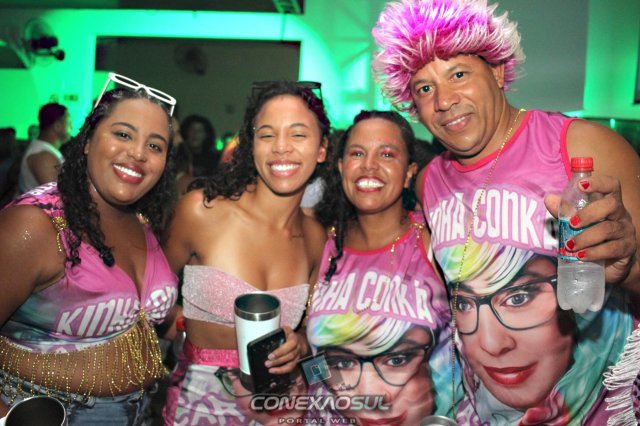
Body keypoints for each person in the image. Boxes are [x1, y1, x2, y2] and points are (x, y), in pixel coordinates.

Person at [372, 0, 640, 424]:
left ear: (496, 71)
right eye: (424, 88)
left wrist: (628, 266)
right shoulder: (429, 182)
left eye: (459, 74)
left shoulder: (583, 147)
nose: (444, 100)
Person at [0, 74, 179, 425]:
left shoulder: (143, 222)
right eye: (123, 134)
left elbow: (152, 315)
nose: (138, 153)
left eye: (155, 146)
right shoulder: (35, 225)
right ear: (87, 141)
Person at [162, 80, 330, 425]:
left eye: (298, 134)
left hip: (284, 411)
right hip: (200, 408)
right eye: (267, 135)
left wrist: (299, 345)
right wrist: (180, 332)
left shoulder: (317, 237)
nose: (281, 147)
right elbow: (140, 301)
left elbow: (314, 339)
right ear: (251, 145)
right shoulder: (201, 211)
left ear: (322, 149)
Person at [307, 110, 457, 424]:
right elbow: (314, 358)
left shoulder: (436, 240)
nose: (369, 166)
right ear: (341, 167)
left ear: (409, 173)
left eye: (386, 154)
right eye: (357, 154)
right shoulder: (323, 245)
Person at [18, 103, 71, 194]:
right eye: (69, 123)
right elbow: (60, 195)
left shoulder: (45, 151)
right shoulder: (43, 157)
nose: (72, 127)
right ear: (57, 126)